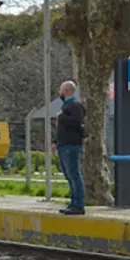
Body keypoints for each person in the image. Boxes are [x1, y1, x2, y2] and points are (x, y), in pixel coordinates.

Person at [55, 80, 85, 215]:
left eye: (61, 90)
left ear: (66, 91)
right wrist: (56, 142)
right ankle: (73, 202)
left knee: (74, 175)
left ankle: (78, 204)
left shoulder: (74, 106)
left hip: (71, 145)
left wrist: (61, 117)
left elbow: (76, 122)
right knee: (69, 175)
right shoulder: (66, 105)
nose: (59, 92)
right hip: (63, 144)